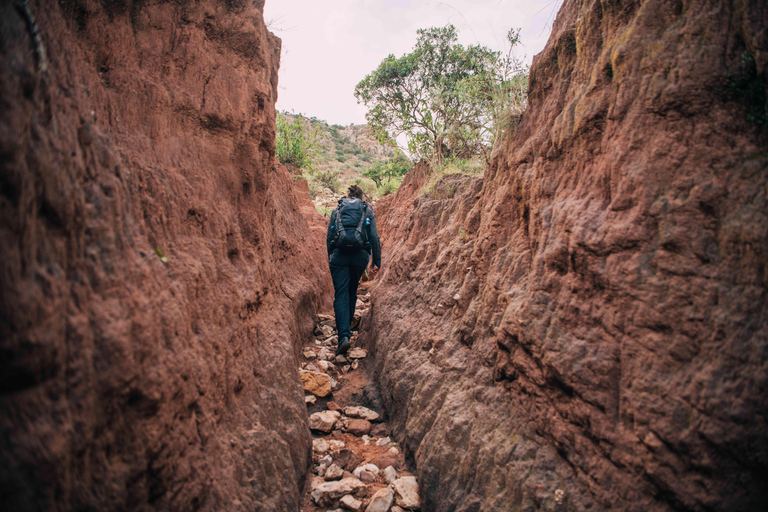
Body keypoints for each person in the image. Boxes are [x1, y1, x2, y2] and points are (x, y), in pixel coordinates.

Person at [326, 184, 381, 355]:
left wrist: (331, 256)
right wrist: (376, 261)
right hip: (360, 256)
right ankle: (347, 331)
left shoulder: (338, 209)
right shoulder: (367, 210)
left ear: (348, 195)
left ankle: (343, 336)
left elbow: (329, 236)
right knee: (351, 291)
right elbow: (374, 237)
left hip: (339, 255)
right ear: (361, 196)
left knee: (340, 293)